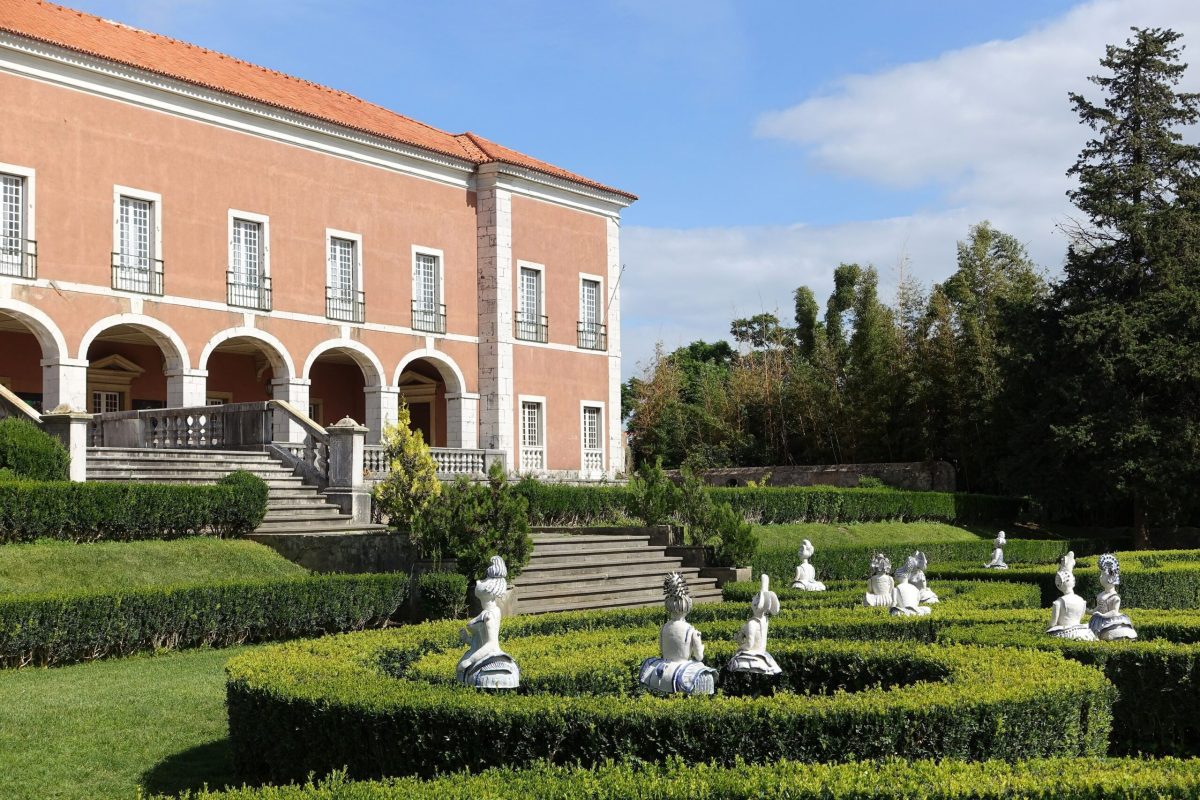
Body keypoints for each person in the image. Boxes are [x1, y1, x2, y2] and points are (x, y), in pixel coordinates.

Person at [639, 572, 719, 694]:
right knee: (705, 678)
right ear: (687, 604)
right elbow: (699, 656)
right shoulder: (690, 629)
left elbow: (661, 649)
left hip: (664, 665)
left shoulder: (664, 627)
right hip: (682, 665)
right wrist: (700, 646)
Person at [456, 555, 520, 688]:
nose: (479, 581)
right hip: (479, 651)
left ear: (490, 589)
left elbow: (491, 644)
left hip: (487, 655)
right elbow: (480, 642)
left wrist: (469, 661)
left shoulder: (489, 615)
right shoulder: (491, 611)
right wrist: (467, 639)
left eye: (485, 579)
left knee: (463, 672)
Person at [728, 574, 782, 674]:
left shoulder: (752, 623)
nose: (753, 598)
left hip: (753, 656)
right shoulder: (765, 619)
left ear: (756, 604)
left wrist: (739, 648)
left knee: (735, 663)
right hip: (762, 652)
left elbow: (749, 644)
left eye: (755, 597)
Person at [1046, 551, 1096, 640]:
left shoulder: (1058, 602)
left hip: (1064, 633)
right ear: (1073, 582)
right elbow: (1081, 617)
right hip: (1082, 631)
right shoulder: (1081, 601)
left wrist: (1048, 628)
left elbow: (1053, 623)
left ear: (1059, 585)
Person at [1088, 553, 1137, 640]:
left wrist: (1102, 615)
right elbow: (1098, 608)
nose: (1100, 577)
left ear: (1110, 579)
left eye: (1103, 575)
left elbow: (1114, 612)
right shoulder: (1101, 595)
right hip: (1099, 619)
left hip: (1109, 620)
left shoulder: (1115, 597)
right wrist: (1091, 611)